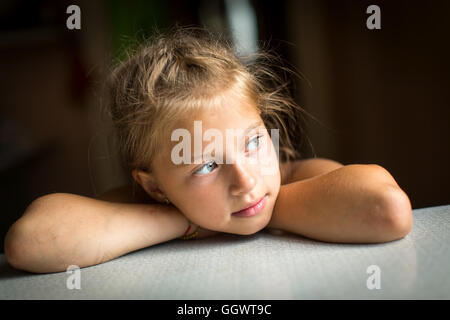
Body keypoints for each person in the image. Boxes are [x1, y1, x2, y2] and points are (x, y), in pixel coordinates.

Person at [4, 26, 413, 274]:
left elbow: (387, 209)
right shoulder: (148, 203)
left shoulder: (298, 174)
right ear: (155, 186)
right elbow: (31, 243)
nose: (247, 180)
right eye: (206, 165)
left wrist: (213, 217)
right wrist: (188, 221)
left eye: (253, 143)